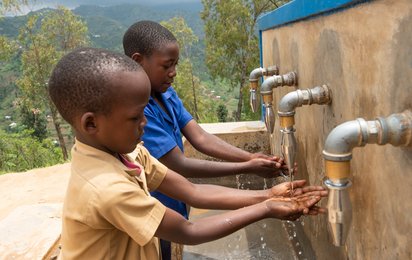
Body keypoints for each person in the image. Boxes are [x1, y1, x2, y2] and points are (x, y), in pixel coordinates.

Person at [49, 47, 327, 259]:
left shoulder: (129, 154)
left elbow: (192, 192)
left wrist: (267, 194)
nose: (145, 123)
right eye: (136, 118)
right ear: (91, 123)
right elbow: (188, 230)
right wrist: (265, 208)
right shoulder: (105, 189)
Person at [122, 20, 292, 259]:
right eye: (166, 65)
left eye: (175, 64)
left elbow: (199, 137)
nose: (173, 72)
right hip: (157, 211)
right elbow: (179, 164)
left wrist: (251, 158)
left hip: (176, 201)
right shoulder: (138, 113)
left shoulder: (166, 93)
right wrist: (249, 170)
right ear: (138, 61)